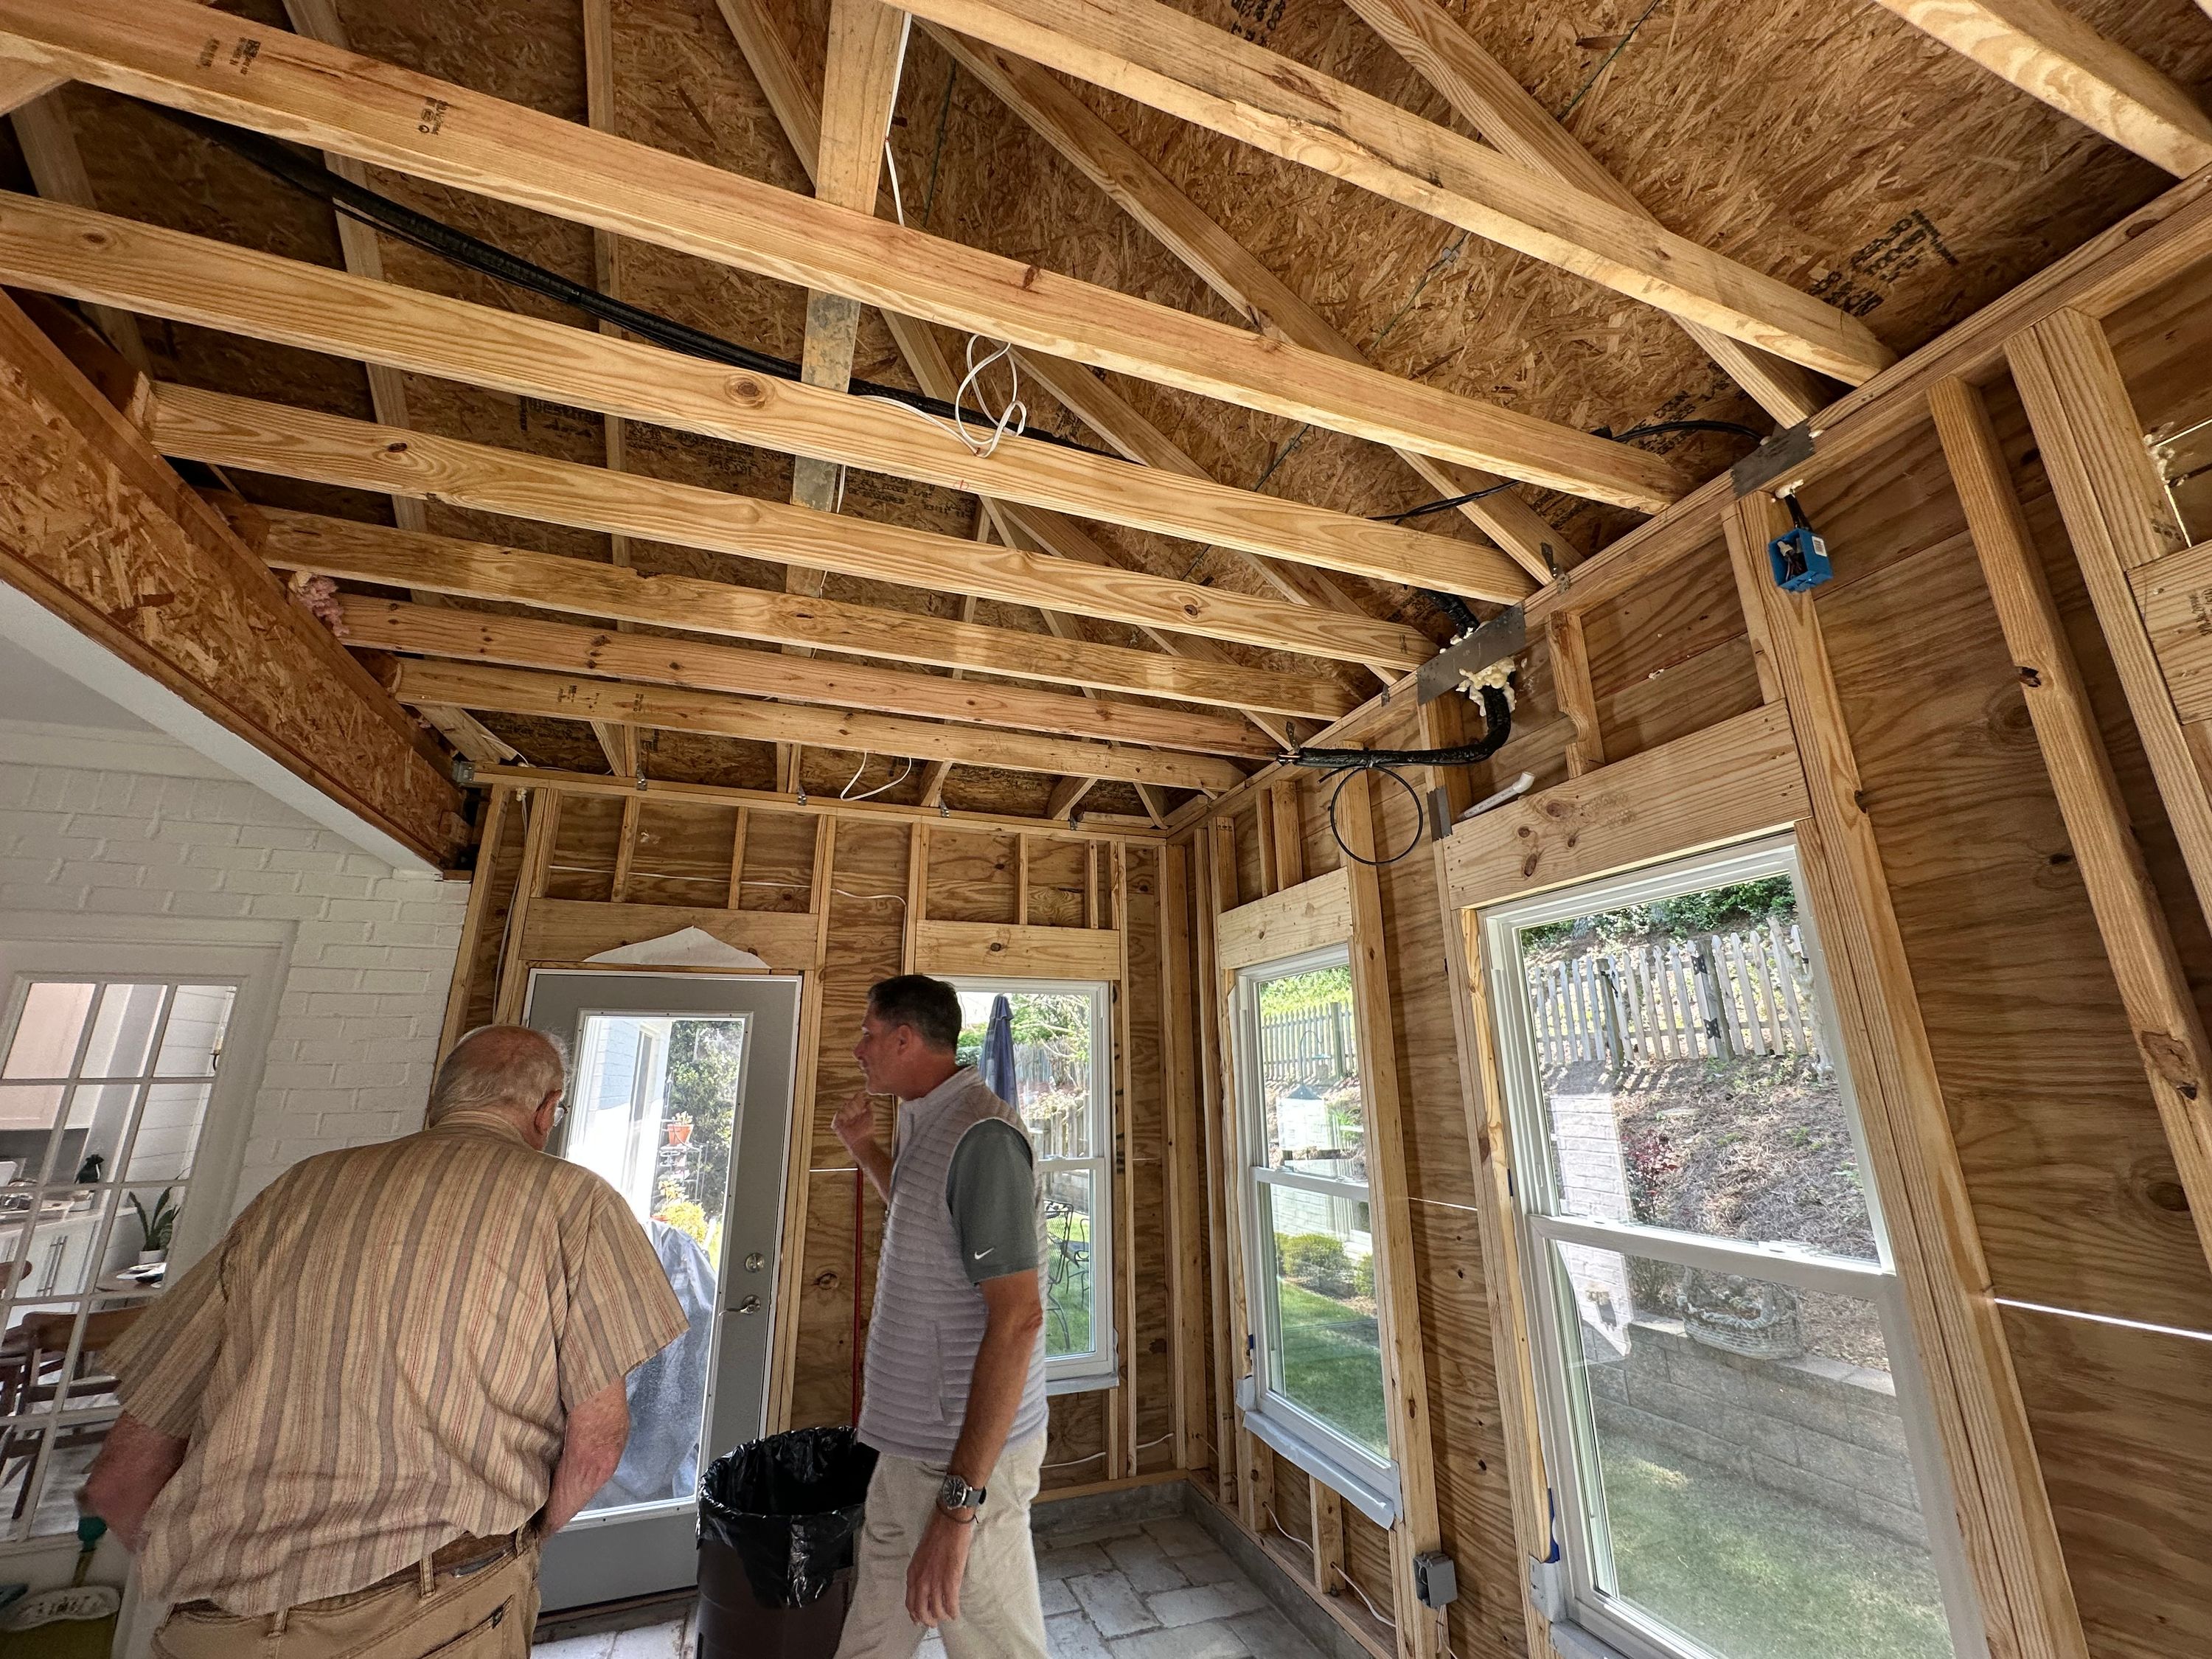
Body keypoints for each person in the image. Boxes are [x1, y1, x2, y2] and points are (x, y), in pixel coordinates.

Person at [80, 1024, 688, 1659]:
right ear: (545, 1109)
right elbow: (597, 1443)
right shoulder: (573, 1199)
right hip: (435, 1613)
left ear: (439, 1101)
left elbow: (120, 1479)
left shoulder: (296, 1192)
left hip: (217, 1627)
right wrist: (528, 1541)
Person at [832, 974, 1049, 1659]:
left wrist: (960, 1508)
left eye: (869, 1034)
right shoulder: (926, 1117)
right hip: (908, 1448)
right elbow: (929, 1217)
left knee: (996, 1646)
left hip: (962, 1460)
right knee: (873, 1636)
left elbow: (1018, 1320)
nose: (859, 1049)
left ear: (905, 1038)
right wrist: (865, 1149)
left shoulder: (982, 1136)